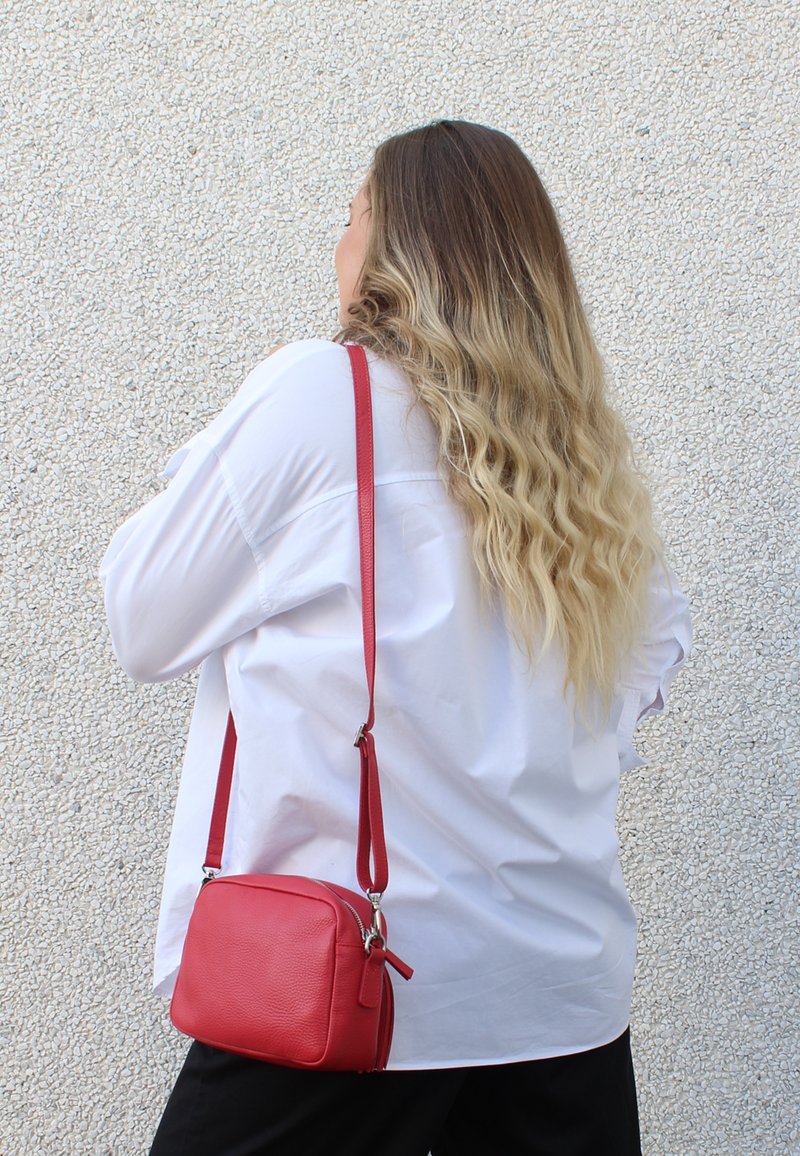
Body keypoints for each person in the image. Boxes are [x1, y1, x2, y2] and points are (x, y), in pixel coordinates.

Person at [100, 119, 692, 1155]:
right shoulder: (579, 457)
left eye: (351, 214)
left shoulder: (317, 395)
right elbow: (642, 676)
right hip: (560, 997)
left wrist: (231, 440)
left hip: (348, 981)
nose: (337, 242)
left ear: (392, 249)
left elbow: (142, 618)